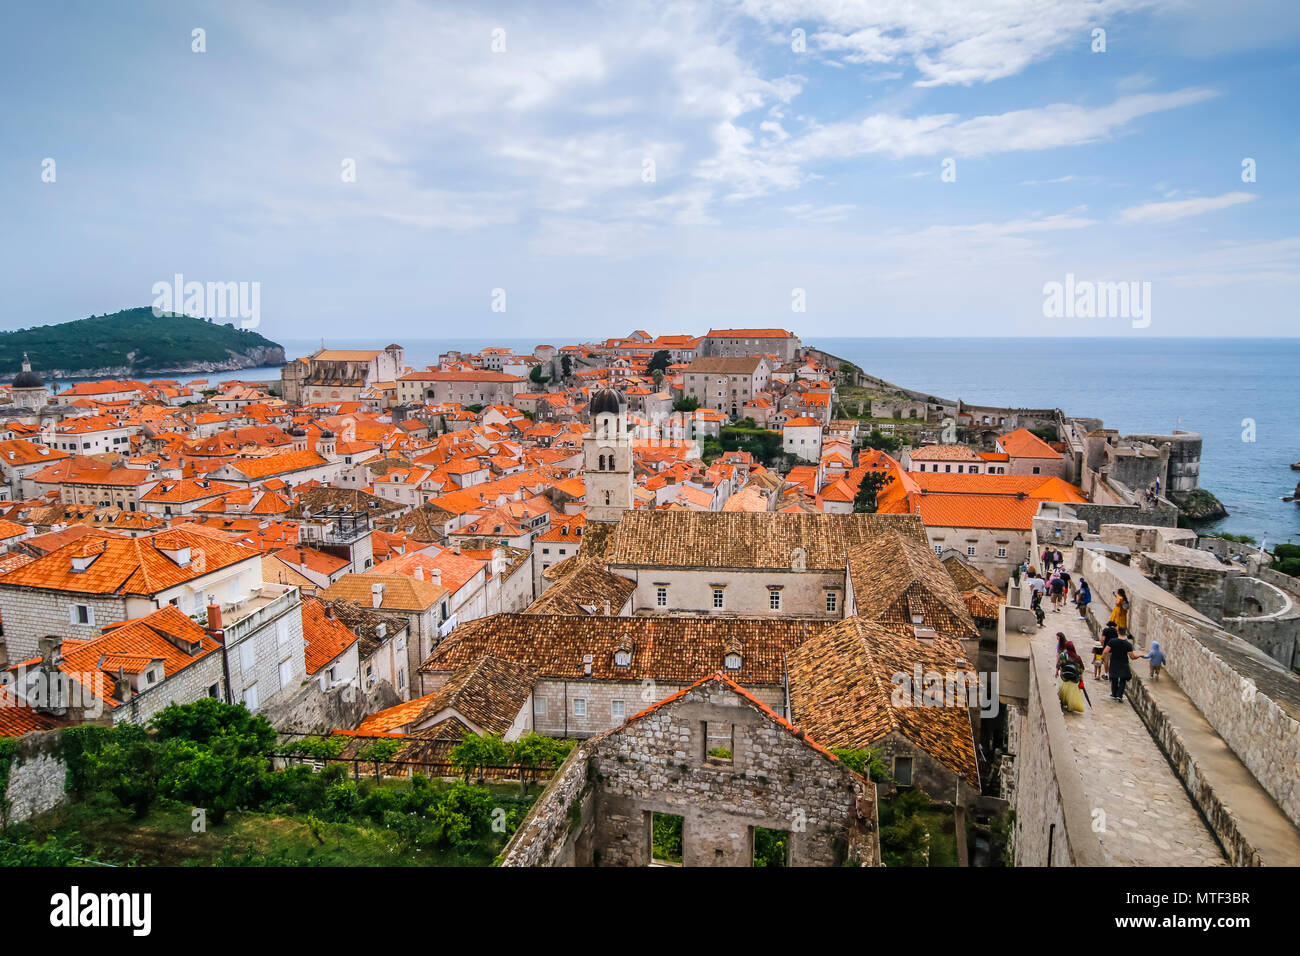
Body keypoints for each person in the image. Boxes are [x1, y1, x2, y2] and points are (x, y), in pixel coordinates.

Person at [1056, 636, 1086, 714]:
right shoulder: (1077, 657)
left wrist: (1057, 672)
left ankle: (1063, 702)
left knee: (1064, 689)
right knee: (1072, 693)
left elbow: (1059, 664)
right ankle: (1070, 707)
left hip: (1065, 676)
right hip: (1074, 677)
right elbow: (1082, 668)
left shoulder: (1063, 655)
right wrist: (1081, 678)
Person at [1108, 630, 1139, 701]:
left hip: (1114, 662)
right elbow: (1132, 657)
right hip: (1123, 663)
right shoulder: (1128, 644)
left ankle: (1114, 694)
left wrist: (1104, 659)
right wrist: (1139, 655)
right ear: (1125, 633)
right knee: (1123, 679)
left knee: (1114, 679)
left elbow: (1106, 651)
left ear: (1118, 632)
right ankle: (1119, 695)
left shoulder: (1112, 641)